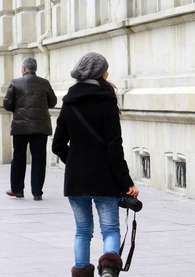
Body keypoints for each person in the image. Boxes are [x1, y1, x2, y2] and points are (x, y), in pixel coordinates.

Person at [52, 52, 139, 277]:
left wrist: (74, 161)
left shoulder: (68, 100)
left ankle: (81, 272)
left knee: (82, 231)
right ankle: (109, 269)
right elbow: (113, 145)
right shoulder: (106, 98)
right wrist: (126, 181)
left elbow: (58, 144)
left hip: (76, 177)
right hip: (105, 176)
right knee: (110, 228)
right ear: (101, 73)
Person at [3, 57, 57, 201]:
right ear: (35, 69)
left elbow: (7, 105)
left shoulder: (15, 83)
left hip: (20, 127)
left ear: (23, 68)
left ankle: (17, 190)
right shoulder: (45, 83)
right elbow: (53, 102)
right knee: (39, 159)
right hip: (41, 127)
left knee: (19, 158)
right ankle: (37, 192)